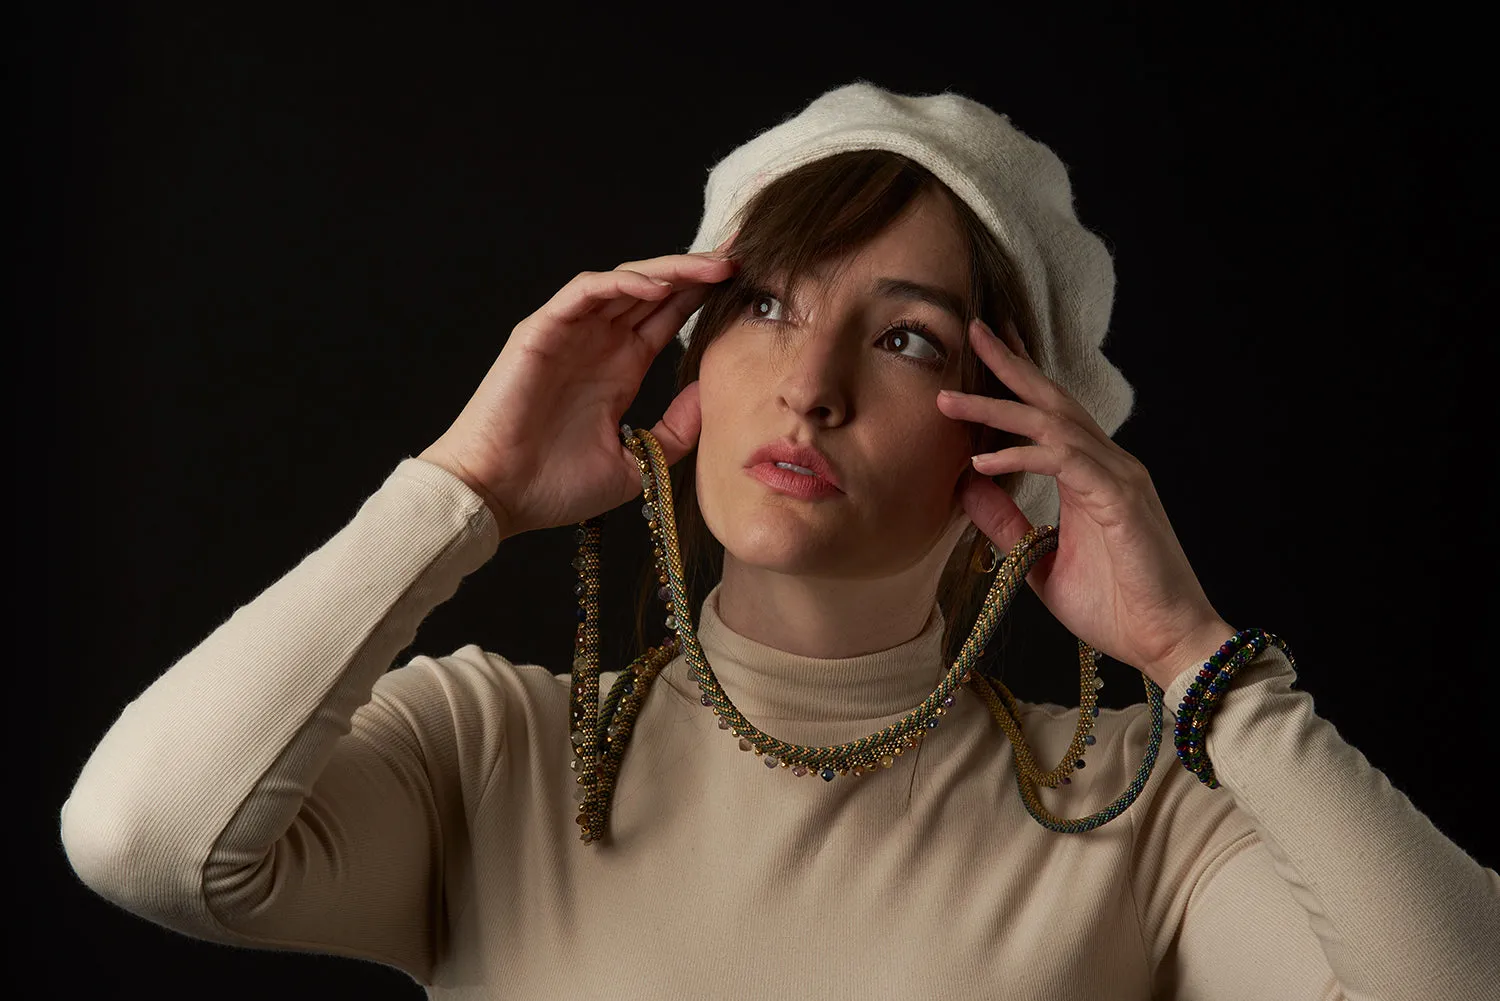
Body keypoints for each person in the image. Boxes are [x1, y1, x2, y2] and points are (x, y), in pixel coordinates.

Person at [60, 82, 1498, 999]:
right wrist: (464, 491)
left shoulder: (1134, 815)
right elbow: (143, 838)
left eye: (908, 336)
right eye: (770, 305)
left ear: (1011, 433)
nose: (811, 386)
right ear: (693, 351)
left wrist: (1193, 661)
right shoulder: (496, 752)